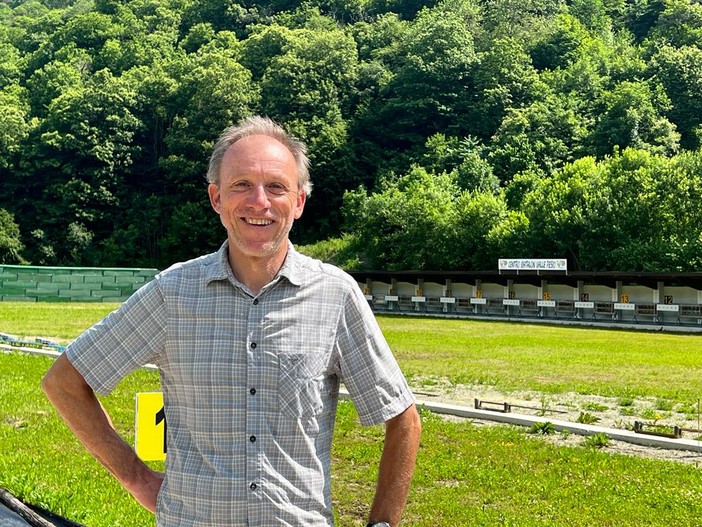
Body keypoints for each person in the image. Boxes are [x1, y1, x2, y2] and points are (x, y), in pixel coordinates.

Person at [42, 115, 422, 527]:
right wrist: (136, 477)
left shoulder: (335, 295)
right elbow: (65, 382)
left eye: (276, 186)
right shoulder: (173, 293)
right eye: (241, 184)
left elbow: (402, 417)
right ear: (216, 198)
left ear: (298, 202)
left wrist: (381, 524)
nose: (259, 201)